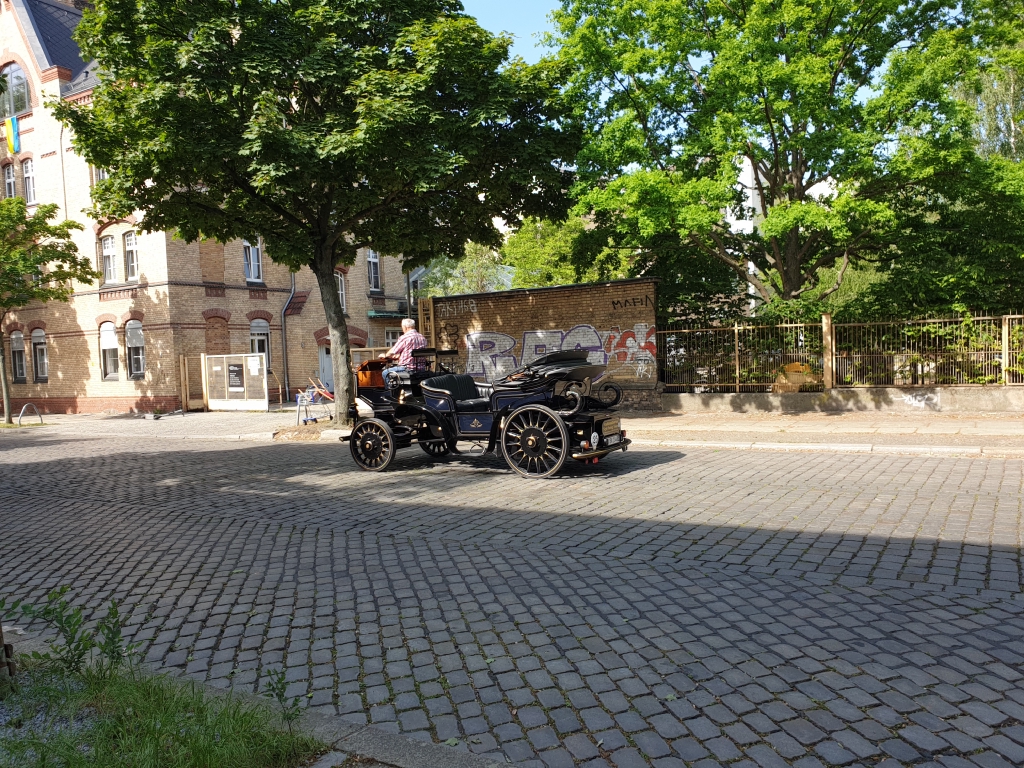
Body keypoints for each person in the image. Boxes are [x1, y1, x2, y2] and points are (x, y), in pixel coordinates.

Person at [379, 318, 428, 383]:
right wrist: (400, 356)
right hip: (421, 369)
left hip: (407, 369)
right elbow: (411, 352)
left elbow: (393, 351)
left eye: (402, 327)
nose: (402, 329)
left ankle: (391, 389)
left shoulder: (405, 337)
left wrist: (385, 355)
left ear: (405, 327)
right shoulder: (422, 338)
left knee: (385, 373)